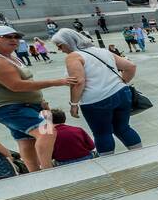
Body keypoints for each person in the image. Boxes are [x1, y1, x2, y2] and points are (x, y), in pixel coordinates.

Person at [0, 25, 80, 171]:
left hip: (27, 105)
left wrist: (40, 101)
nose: (14, 40)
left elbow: (26, 83)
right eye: (8, 37)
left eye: (16, 37)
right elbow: (16, 85)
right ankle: (48, 170)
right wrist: (56, 82)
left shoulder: (12, 57)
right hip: (12, 108)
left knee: (26, 141)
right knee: (47, 131)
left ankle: (35, 173)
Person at [52, 28, 142, 157]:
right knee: (123, 128)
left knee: (102, 133)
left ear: (68, 42)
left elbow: (79, 82)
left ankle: (108, 162)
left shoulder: (73, 57)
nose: (59, 49)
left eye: (60, 45)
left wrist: (73, 104)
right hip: (121, 93)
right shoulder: (101, 51)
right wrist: (122, 83)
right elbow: (130, 66)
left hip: (96, 101)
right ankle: (141, 154)